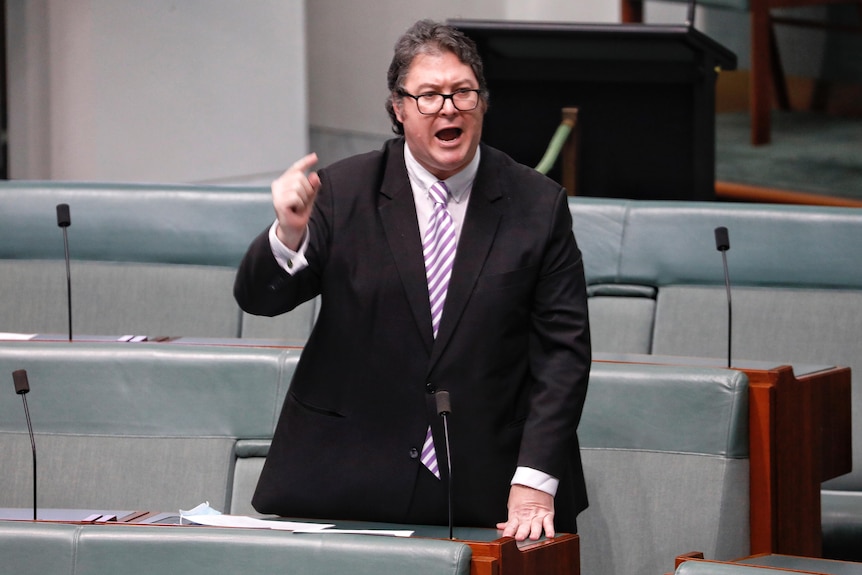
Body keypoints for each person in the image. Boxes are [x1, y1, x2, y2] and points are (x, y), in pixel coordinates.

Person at [234, 19, 591, 541]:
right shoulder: (343, 190)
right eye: (428, 96)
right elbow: (260, 299)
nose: (448, 108)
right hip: (346, 469)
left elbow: (563, 353)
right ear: (398, 109)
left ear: (482, 103)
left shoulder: (537, 204)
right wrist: (289, 232)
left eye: (462, 93)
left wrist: (535, 480)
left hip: (491, 482)